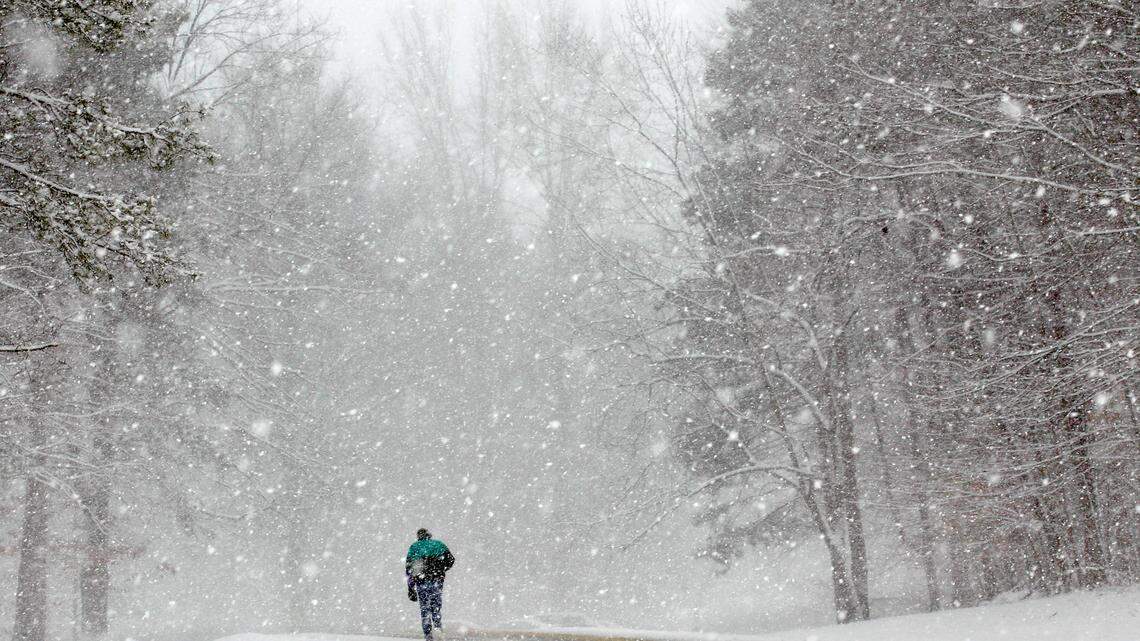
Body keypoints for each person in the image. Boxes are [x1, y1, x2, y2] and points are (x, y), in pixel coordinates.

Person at [405, 528, 455, 640]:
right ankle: (438, 629)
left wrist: (410, 588)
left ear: (418, 536)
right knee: (436, 607)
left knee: (424, 609)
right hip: (436, 581)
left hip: (421, 582)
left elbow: (409, 569)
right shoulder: (439, 545)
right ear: (429, 535)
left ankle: (428, 635)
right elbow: (451, 560)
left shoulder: (414, 547)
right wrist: (441, 570)